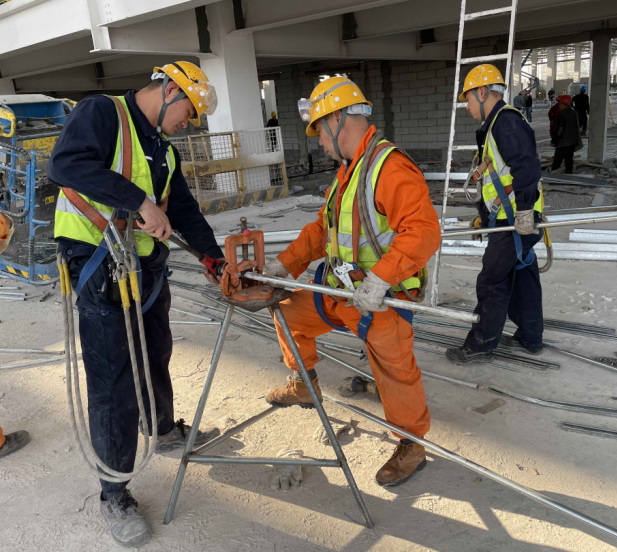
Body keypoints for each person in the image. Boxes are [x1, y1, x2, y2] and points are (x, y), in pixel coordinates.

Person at [49, 61, 224, 548]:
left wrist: (212, 256)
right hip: (98, 265)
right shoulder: (102, 113)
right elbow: (66, 165)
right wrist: (138, 202)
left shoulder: (163, 149)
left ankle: (161, 428)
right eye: (188, 112)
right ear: (169, 91)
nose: (188, 123)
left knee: (155, 352)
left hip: (144, 270)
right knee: (113, 381)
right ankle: (114, 493)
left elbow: (181, 206)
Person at [262, 77, 440, 487]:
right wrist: (284, 266)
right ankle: (303, 384)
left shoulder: (388, 167)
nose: (320, 144)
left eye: (320, 132)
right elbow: (322, 230)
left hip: (382, 298)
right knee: (287, 312)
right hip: (341, 291)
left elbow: (423, 231)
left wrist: (380, 279)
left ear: (337, 119)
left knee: (395, 373)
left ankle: (411, 445)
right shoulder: (349, 171)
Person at [444, 64, 544, 365]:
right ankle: (530, 337)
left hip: (515, 220)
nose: (467, 106)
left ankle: (481, 345)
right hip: (512, 218)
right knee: (523, 276)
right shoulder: (496, 126)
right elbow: (497, 178)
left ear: (482, 91)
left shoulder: (505, 122)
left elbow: (526, 168)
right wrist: (486, 217)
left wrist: (524, 211)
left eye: (468, 99)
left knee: (492, 281)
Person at [551, 95, 580, 174]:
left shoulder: (563, 114)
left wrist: (554, 141)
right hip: (572, 141)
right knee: (569, 161)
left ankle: (552, 176)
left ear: (564, 105)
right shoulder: (574, 112)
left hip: (563, 142)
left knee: (557, 161)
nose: (559, 106)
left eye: (560, 104)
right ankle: (569, 175)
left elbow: (560, 129)